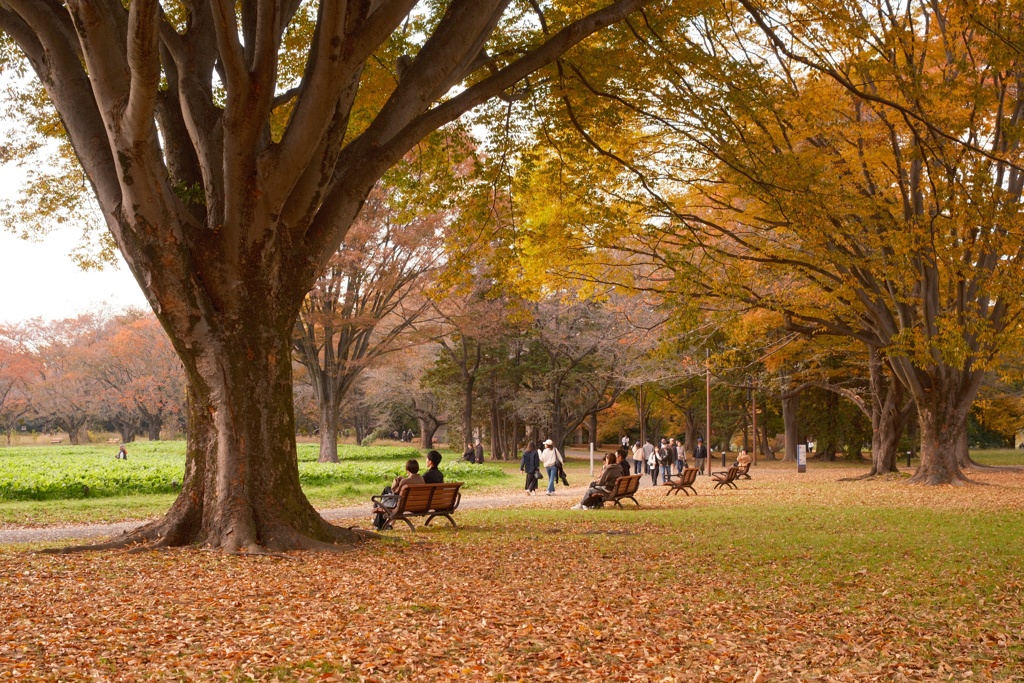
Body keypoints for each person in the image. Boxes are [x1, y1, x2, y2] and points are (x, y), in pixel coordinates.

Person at [372, 459, 425, 530]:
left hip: (401, 504)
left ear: (407, 470)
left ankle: (377, 512)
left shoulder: (405, 481)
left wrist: (397, 481)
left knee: (386, 491)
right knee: (387, 490)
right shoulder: (422, 480)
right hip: (416, 504)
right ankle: (378, 513)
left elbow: (395, 492)